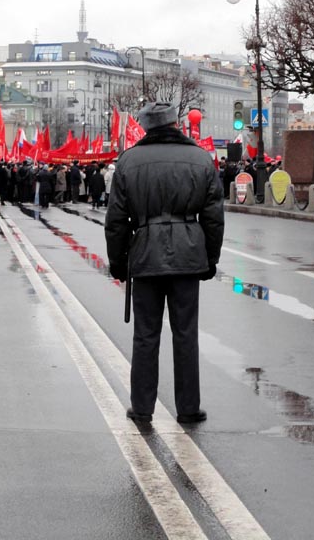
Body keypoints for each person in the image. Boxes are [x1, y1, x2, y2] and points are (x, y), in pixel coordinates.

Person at [105, 102, 225, 425]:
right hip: (188, 256)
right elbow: (214, 217)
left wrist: (118, 262)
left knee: (146, 335)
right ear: (175, 123)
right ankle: (188, 408)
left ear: (144, 126)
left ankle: (142, 407)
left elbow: (116, 220)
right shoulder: (200, 159)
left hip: (144, 256)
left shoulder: (129, 161)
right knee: (186, 334)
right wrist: (210, 258)